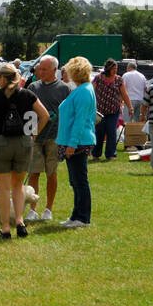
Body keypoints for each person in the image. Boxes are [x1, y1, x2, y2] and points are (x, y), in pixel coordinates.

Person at [0, 64, 48, 238]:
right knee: (18, 186)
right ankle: (20, 222)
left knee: (3, 188)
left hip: (1, 142)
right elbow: (45, 115)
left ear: (2, 78)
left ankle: (6, 228)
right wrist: (34, 133)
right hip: (23, 142)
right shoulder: (27, 94)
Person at [24, 56, 69, 220]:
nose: (40, 72)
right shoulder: (33, 87)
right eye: (39, 69)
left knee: (52, 173)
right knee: (34, 173)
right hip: (35, 137)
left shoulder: (64, 89)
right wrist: (29, 133)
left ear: (53, 70)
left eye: (44, 69)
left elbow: (67, 113)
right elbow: (27, 112)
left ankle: (48, 209)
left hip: (54, 137)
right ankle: (33, 209)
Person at [56, 56, 97, 228]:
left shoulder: (83, 91)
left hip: (78, 142)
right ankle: (76, 215)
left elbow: (80, 121)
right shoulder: (82, 89)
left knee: (80, 180)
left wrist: (72, 144)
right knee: (75, 180)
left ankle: (83, 218)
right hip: (73, 140)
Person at [92, 59, 131, 160]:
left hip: (113, 111)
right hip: (100, 111)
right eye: (113, 69)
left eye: (116, 68)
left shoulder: (119, 79)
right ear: (108, 69)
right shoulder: (98, 78)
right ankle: (96, 154)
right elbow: (91, 91)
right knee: (99, 132)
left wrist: (130, 107)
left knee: (111, 132)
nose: (115, 70)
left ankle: (110, 154)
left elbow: (124, 94)